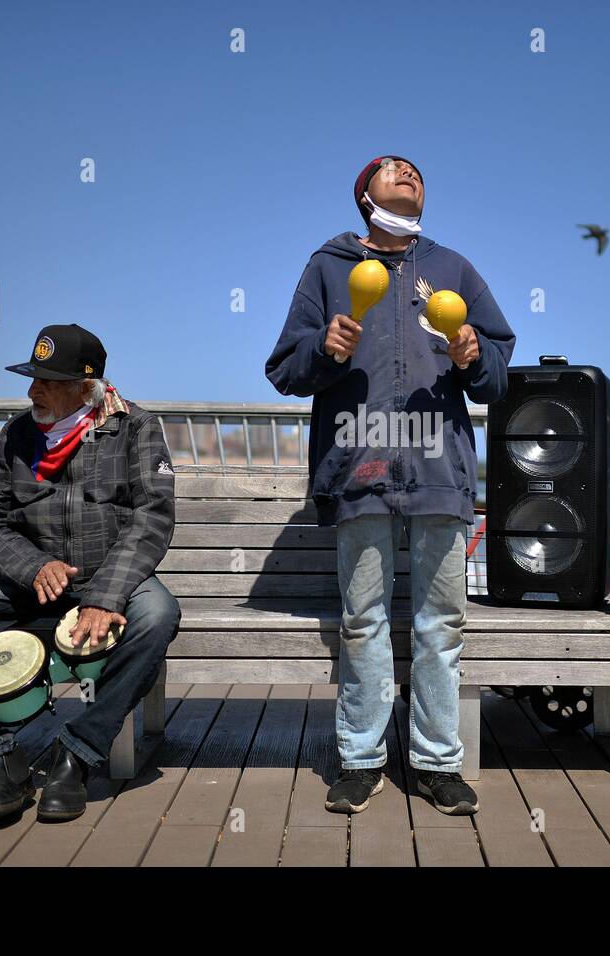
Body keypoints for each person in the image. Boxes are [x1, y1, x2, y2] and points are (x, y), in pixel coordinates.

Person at [266, 155, 516, 814]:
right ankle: (361, 758)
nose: (407, 174)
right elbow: (284, 370)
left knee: (441, 625)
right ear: (364, 196)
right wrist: (326, 348)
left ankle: (437, 762)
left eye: (415, 170)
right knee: (362, 623)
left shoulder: (454, 267)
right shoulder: (328, 267)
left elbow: (497, 376)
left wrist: (472, 357)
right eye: (391, 168)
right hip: (359, 468)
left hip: (440, 473)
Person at [0, 323, 181, 827]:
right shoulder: (17, 435)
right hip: (29, 584)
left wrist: (105, 594)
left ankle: (76, 753)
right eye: (33, 378)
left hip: (107, 579)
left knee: (159, 612)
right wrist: (34, 566)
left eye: (48, 381)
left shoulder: (137, 428)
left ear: (87, 386)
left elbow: (152, 518)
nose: (34, 390)